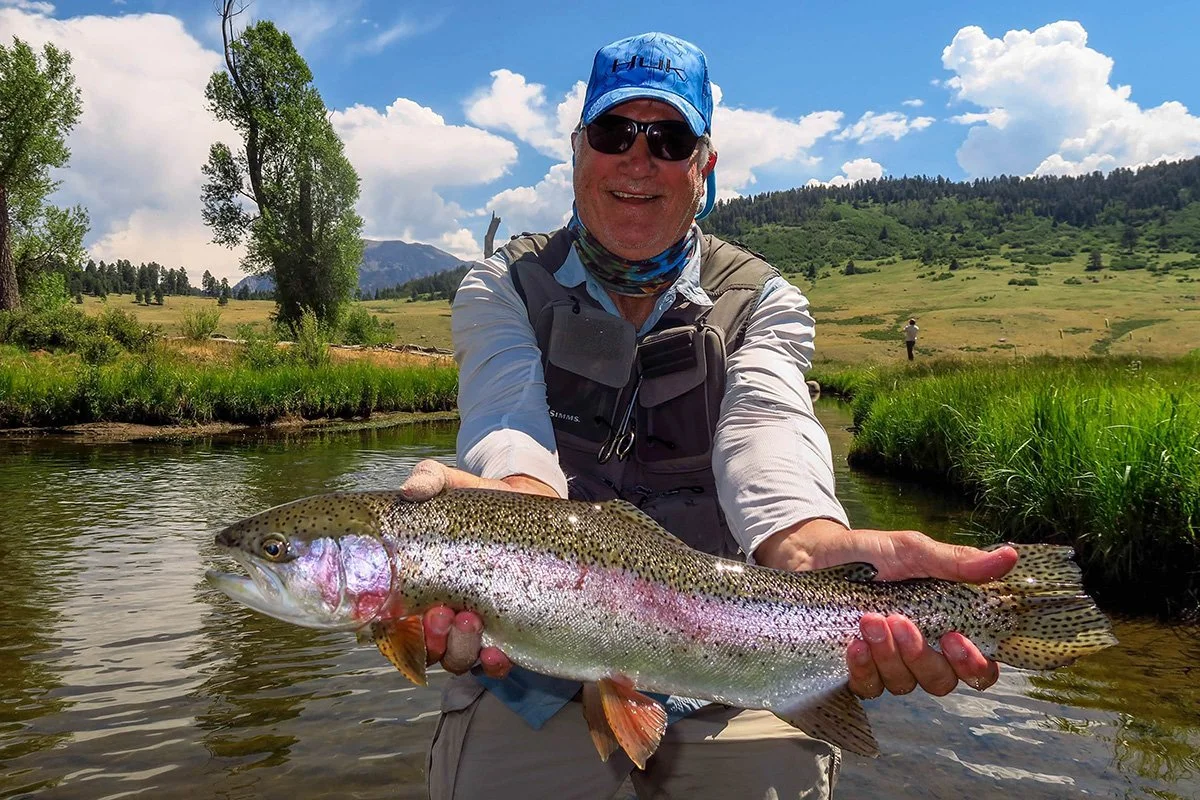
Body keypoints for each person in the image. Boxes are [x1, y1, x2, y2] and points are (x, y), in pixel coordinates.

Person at [399, 32, 1017, 799]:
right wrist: (519, 518)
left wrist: (807, 545)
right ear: (577, 150)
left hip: (748, 672)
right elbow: (506, 423)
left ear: (704, 167)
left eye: (670, 138)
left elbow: (768, 435)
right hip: (532, 683)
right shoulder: (502, 287)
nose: (638, 158)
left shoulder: (765, 300)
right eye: (614, 131)